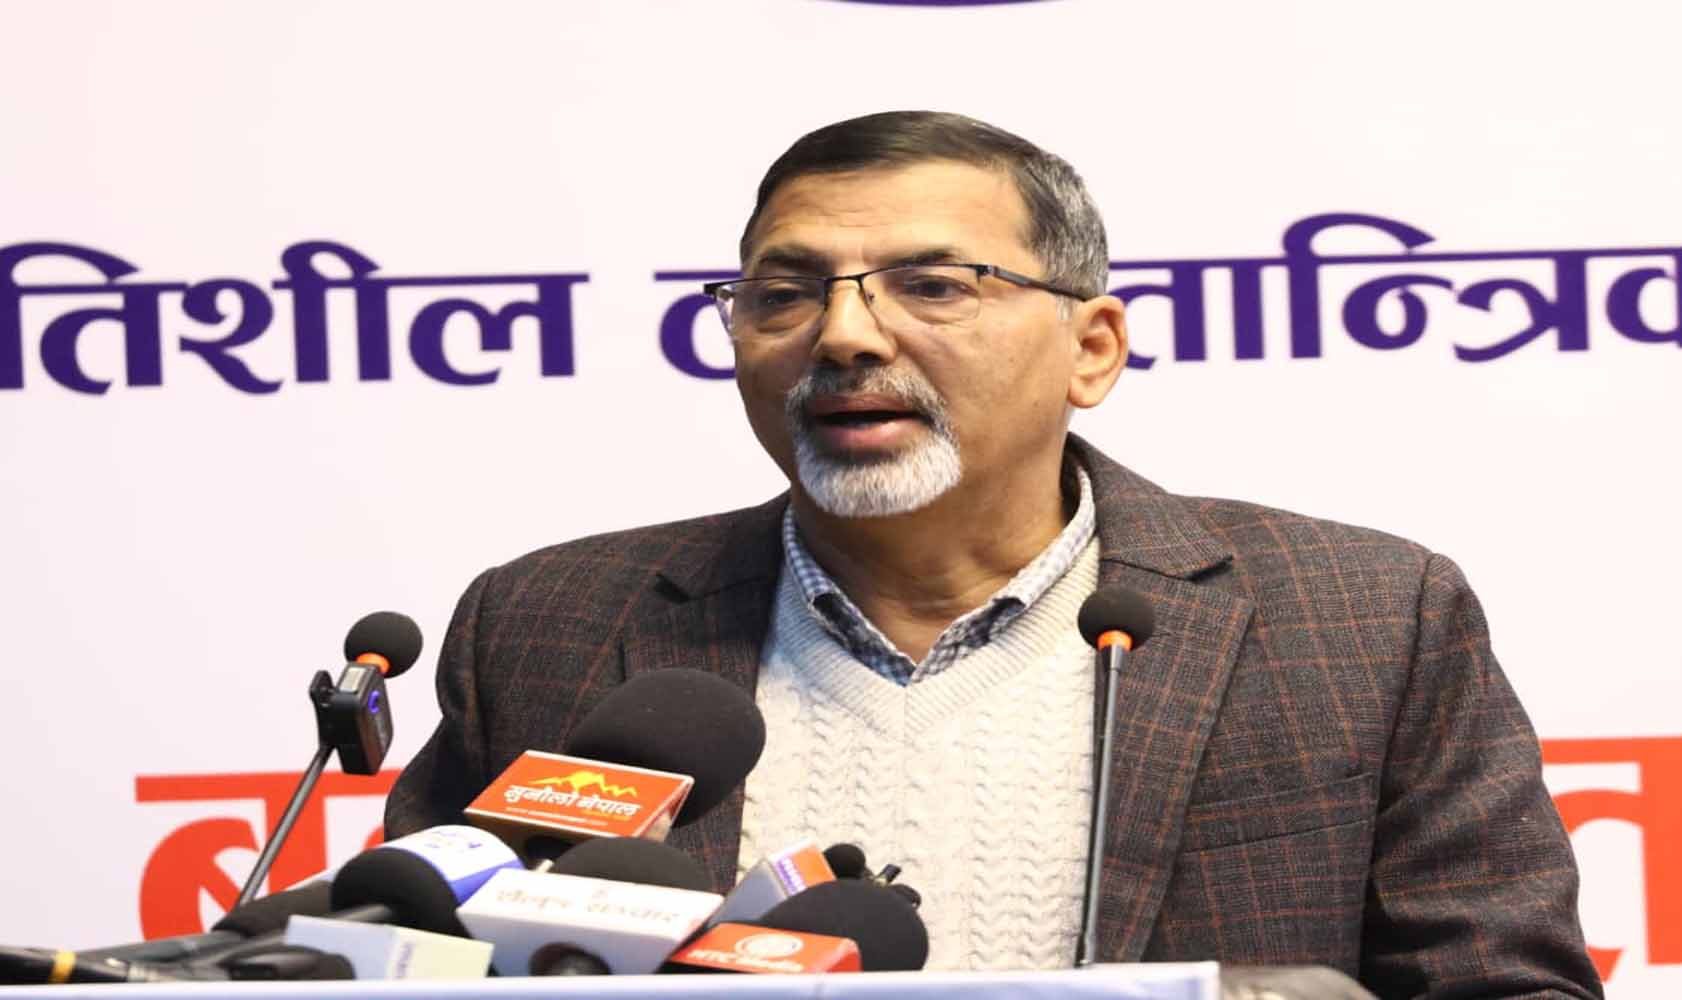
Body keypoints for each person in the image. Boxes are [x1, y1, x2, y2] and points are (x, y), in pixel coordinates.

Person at [386, 110, 1603, 996]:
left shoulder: (1363, 619)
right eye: (783, 293)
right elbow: (407, 959)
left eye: (932, 285)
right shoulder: (549, 622)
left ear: (1093, 349)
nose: (845, 335)